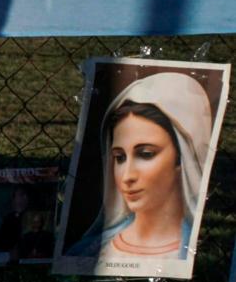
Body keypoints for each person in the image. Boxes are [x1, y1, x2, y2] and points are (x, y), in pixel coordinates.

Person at [67, 72, 214, 261]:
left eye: (146, 154)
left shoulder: (197, 261)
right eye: (119, 157)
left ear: (181, 157)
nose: (127, 176)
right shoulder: (84, 253)